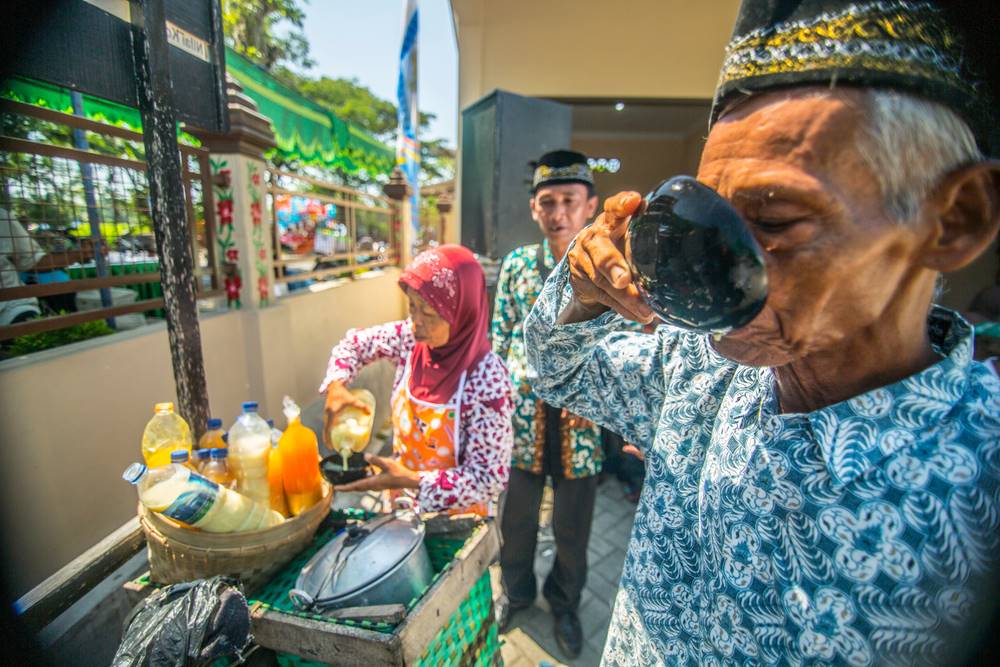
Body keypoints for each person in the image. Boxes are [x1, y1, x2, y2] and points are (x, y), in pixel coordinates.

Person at [522, 1, 1000, 665]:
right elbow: (556, 367)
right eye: (712, 214)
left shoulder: (980, 496)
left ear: (954, 221)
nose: (708, 265)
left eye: (774, 219)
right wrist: (578, 288)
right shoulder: (700, 368)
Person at [491, 149, 606, 658]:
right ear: (535, 209)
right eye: (548, 202)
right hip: (522, 419)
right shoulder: (517, 265)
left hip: (582, 425)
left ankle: (564, 604)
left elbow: (621, 346)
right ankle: (516, 593)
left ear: (590, 207)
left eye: (569, 201)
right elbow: (499, 340)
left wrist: (601, 400)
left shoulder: (607, 270)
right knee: (514, 521)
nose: (559, 212)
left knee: (572, 530)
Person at [320, 244, 513, 515]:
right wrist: (336, 385)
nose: (416, 322)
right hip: (402, 508)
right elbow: (353, 344)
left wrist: (412, 481)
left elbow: (488, 478)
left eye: (430, 313)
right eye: (412, 307)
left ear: (463, 313)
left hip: (456, 521)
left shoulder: (487, 378)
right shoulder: (409, 341)